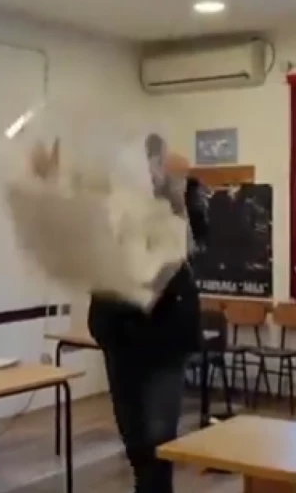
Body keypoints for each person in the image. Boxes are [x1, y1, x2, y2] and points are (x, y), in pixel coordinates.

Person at [88, 134, 207, 493]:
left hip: (165, 337)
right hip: (119, 332)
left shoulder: (181, 193)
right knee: (136, 441)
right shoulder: (108, 203)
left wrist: (176, 193)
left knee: (158, 440)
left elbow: (193, 242)